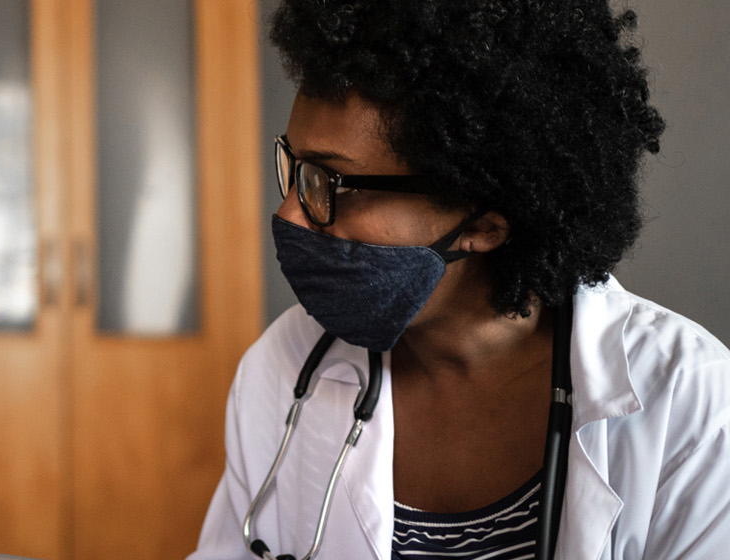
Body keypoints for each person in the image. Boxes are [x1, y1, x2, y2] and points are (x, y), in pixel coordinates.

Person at [192, 1, 730, 559]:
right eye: (295, 169)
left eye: (331, 182)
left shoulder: (690, 406)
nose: (288, 214)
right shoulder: (281, 369)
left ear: (485, 224)